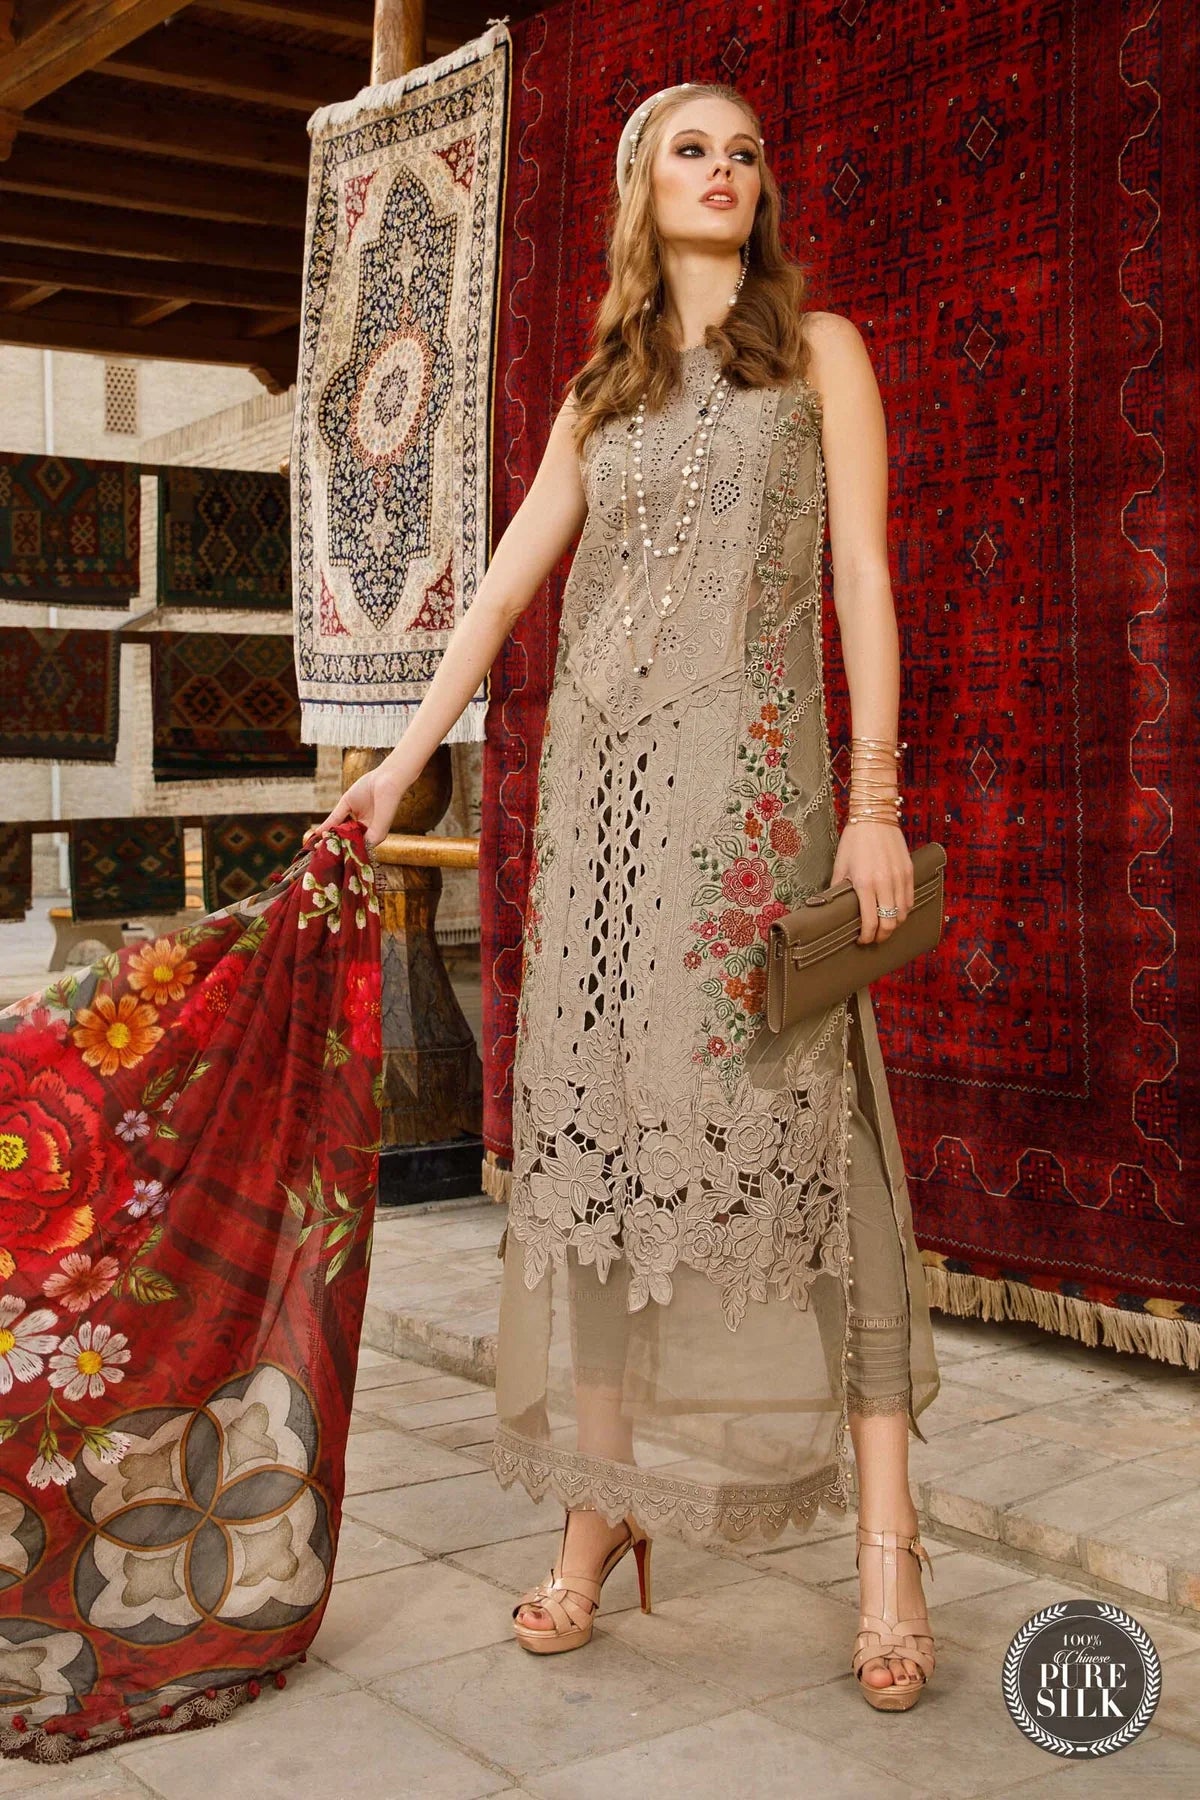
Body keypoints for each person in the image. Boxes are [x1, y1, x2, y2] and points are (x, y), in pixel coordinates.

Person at [317, 80, 940, 1709]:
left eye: (745, 153)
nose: (725, 170)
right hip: (597, 827)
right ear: (637, 188)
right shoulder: (601, 397)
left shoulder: (822, 355)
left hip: (754, 816)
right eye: (692, 149)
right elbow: (499, 595)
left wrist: (875, 804)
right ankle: (600, 1510)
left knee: (822, 1152)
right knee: (592, 1155)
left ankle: (889, 1544)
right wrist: (393, 766)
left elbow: (864, 576)